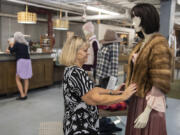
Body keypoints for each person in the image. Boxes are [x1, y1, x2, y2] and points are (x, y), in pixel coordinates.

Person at [59, 34, 137, 135]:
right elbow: (94, 98)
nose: (88, 54)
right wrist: (123, 96)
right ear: (75, 52)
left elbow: (92, 90)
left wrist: (112, 92)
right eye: (85, 51)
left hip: (78, 122)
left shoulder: (71, 69)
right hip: (80, 127)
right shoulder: (76, 72)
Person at [125, 3, 172, 135]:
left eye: (135, 18)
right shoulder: (142, 44)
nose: (133, 22)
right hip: (137, 99)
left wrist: (147, 111)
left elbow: (160, 81)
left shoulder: (159, 44)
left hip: (148, 104)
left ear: (145, 19)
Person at [7, 32, 32, 100]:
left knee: (17, 78)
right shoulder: (25, 44)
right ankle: (25, 94)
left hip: (21, 62)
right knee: (26, 78)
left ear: (16, 38)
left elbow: (11, 51)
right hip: (28, 61)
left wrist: (10, 43)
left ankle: (22, 95)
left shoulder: (17, 44)